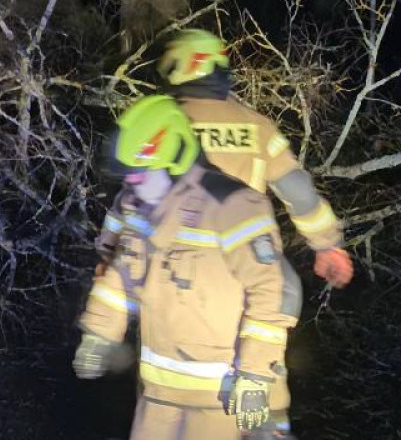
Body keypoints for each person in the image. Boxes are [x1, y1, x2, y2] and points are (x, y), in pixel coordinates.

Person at [75, 95, 299, 440]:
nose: (131, 184)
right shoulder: (141, 211)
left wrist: (255, 375)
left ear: (175, 157)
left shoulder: (234, 206)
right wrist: (99, 333)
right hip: (158, 396)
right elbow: (122, 277)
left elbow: (270, 294)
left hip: (220, 398)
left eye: (139, 174)